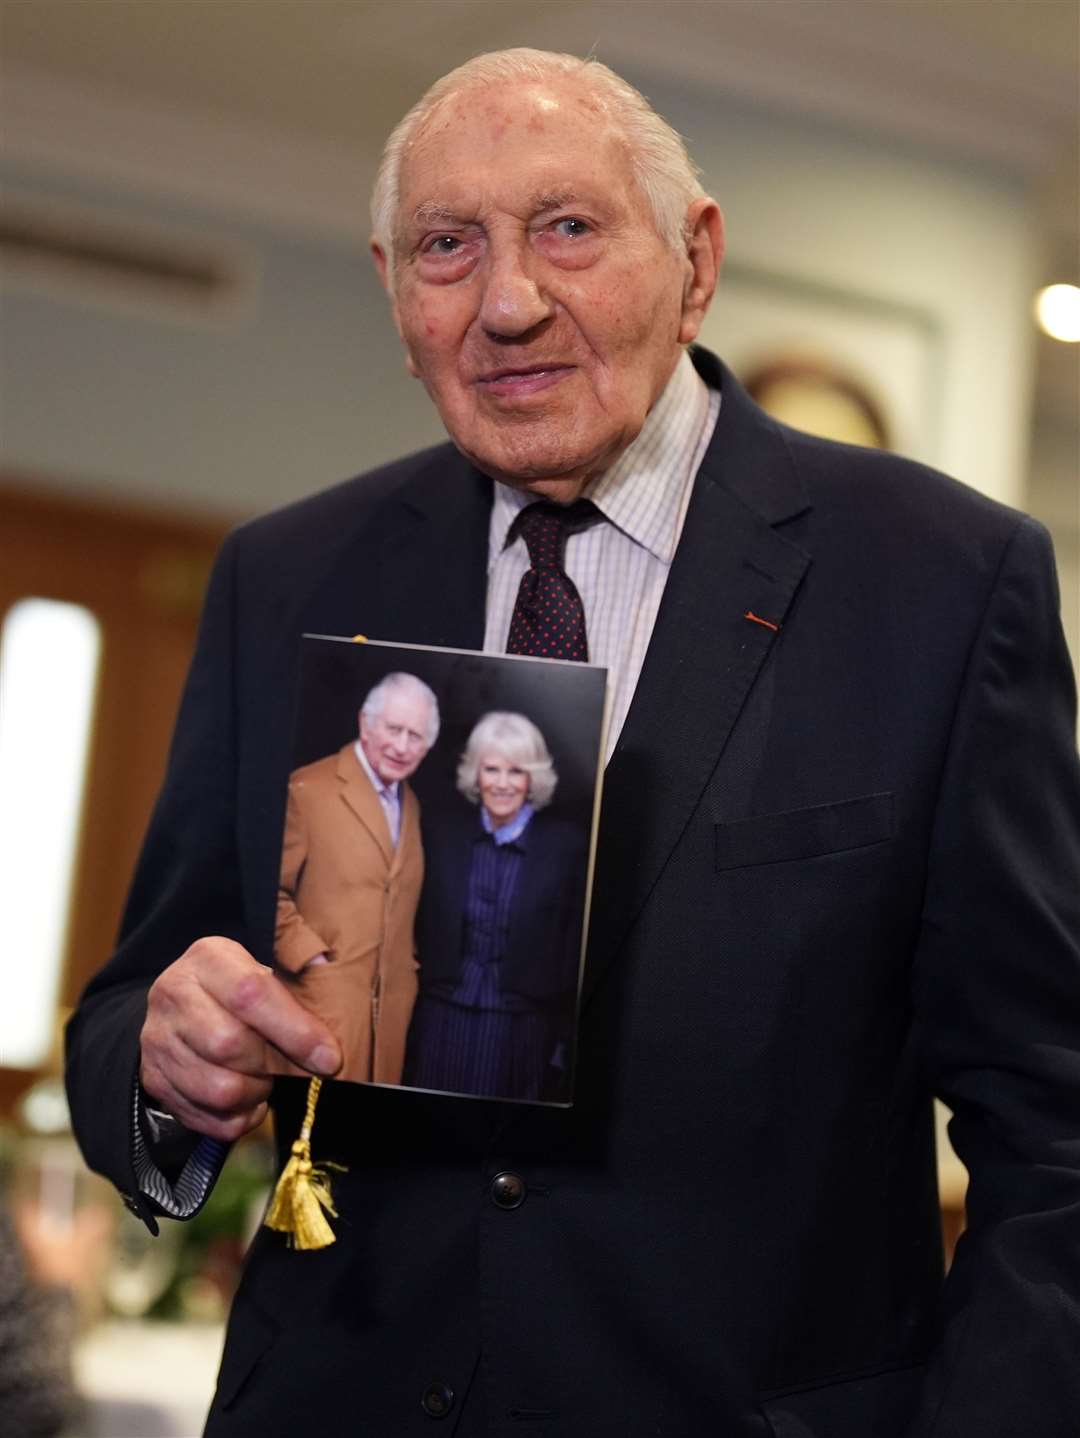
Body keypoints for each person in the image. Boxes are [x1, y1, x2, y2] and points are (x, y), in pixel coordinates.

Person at [64, 47, 1079, 1438]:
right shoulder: (288, 575)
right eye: (446, 245)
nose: (509, 301)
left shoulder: (942, 584)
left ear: (696, 256)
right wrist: (161, 1064)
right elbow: (133, 1001)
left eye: (568, 228)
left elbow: (1058, 1132)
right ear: (390, 287)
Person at [405, 711, 586, 1102]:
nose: (503, 784)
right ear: (475, 774)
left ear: (532, 778)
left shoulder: (567, 846)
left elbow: (574, 945)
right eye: (491, 769)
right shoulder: (440, 834)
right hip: (443, 1013)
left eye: (516, 771)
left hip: (522, 1023)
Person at [271, 671, 439, 1085]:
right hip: (322, 1006)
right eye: (393, 729)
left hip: (391, 1021)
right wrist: (313, 959)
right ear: (366, 723)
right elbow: (269, 893)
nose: (402, 746)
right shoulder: (309, 788)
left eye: (415, 736)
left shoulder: (411, 803)